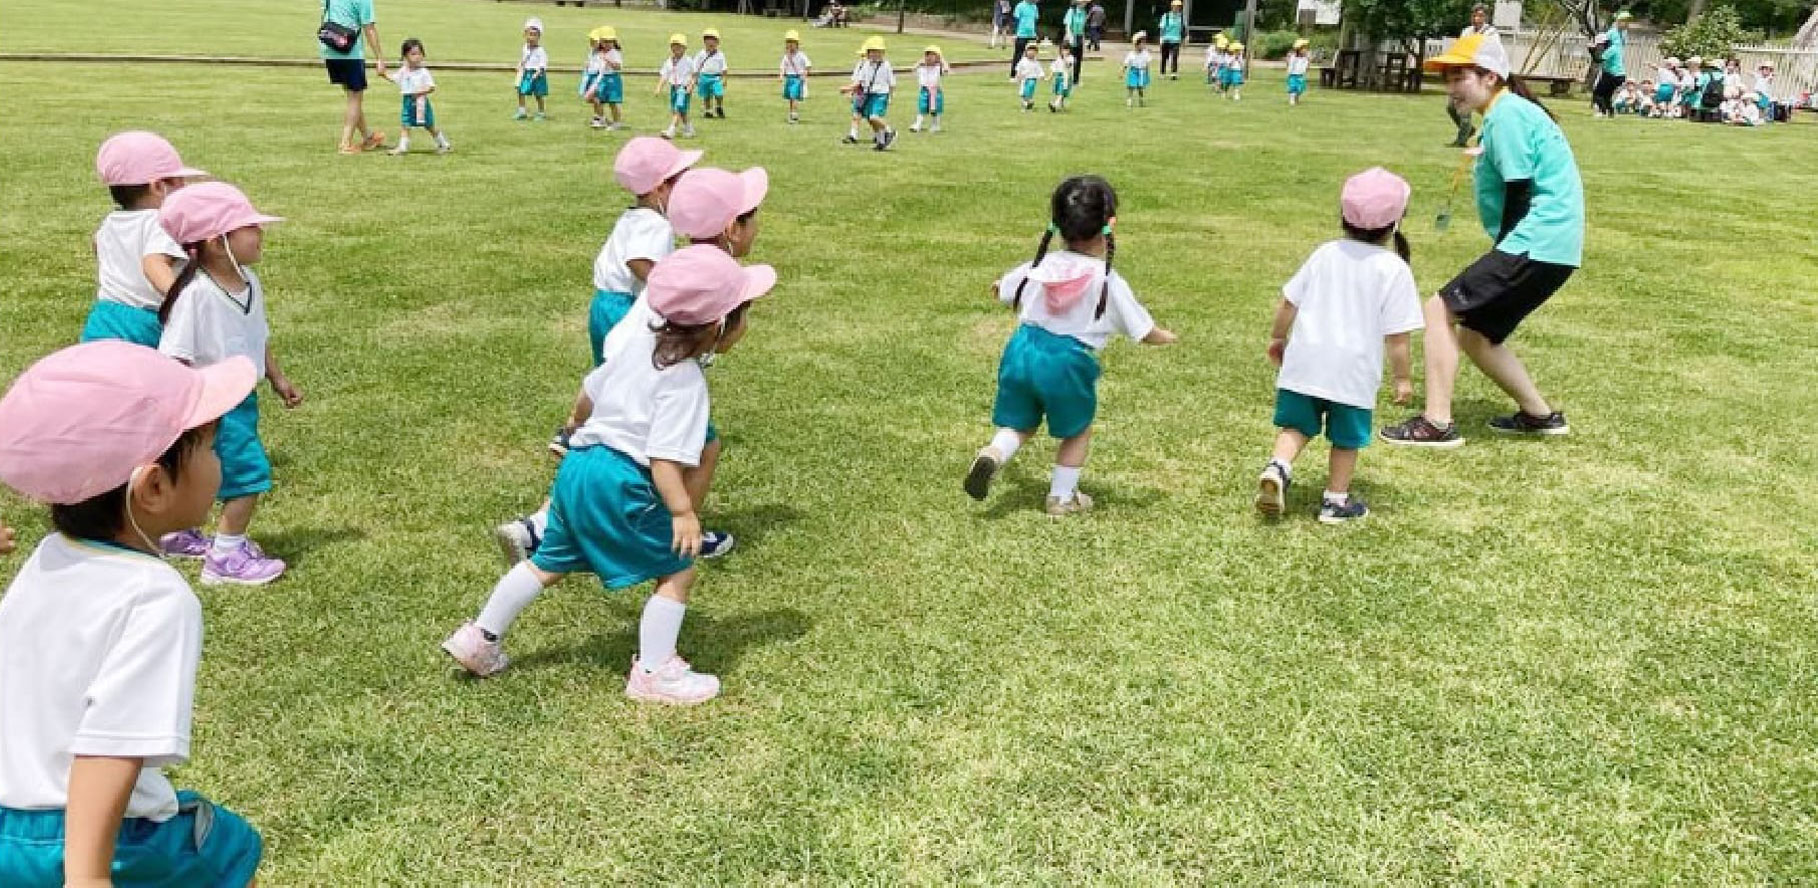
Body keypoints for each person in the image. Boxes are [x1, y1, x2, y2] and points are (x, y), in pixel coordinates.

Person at [442, 246, 777, 707]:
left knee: (547, 561)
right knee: (676, 570)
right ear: (720, 326)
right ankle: (654, 673)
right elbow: (664, 461)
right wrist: (683, 513)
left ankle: (480, 638)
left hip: (578, 470)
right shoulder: (685, 383)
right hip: (621, 481)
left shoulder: (635, 346)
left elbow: (588, 393)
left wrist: (572, 427)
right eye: (744, 316)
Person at [0, 342, 266, 888]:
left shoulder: (49, 556)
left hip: (10, 827)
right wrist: (88, 877)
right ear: (153, 487)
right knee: (227, 850)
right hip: (92, 842)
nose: (219, 463)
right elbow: (109, 746)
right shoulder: (156, 597)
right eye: (210, 449)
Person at [500, 138, 707, 566]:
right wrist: (671, 284)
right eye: (678, 180)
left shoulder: (635, 214)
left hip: (605, 307)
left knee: (610, 400)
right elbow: (638, 262)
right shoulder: (656, 226)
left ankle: (572, 438)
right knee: (631, 415)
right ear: (659, 189)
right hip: (623, 310)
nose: (684, 187)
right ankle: (556, 521)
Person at [1382, 33, 1580, 448]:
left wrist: (1506, 249)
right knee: (1476, 334)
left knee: (1438, 309)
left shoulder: (1508, 114)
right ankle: (1539, 415)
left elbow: (1519, 189)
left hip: (1536, 240)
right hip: (1555, 247)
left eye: (1460, 76)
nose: (1452, 86)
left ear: (1490, 76)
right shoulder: (1506, 112)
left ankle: (1436, 422)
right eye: (1448, 77)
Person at [965, 175, 1178, 516]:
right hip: (1067, 361)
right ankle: (1062, 498)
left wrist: (998, 286)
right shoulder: (1105, 278)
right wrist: (1165, 336)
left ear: (1057, 224)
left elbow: (1003, 288)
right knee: (1077, 430)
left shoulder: (1043, 263)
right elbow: (1142, 329)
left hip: (1021, 350)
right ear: (1111, 224)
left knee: (1021, 422)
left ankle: (994, 452)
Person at [154, 183, 302, 584]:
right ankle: (225, 557)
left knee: (203, 472)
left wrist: (276, 377)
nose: (260, 233)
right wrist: (181, 413)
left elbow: (258, 335)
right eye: (249, 227)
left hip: (241, 396)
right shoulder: (196, 295)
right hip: (213, 402)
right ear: (216, 243)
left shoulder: (249, 282)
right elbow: (174, 357)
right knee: (248, 474)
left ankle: (176, 534)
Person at [1256, 168, 1422, 524]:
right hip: (1353, 372)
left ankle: (1278, 466)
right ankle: (1335, 501)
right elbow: (1398, 338)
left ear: (1344, 216)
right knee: (1346, 439)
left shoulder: (1325, 253)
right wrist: (1403, 379)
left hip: (1306, 362)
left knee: (1296, 426)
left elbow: (1289, 302)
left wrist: (1278, 337)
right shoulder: (1393, 269)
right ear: (1395, 223)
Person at [83, 132, 205, 347]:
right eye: (179, 182)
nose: (184, 188)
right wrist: (186, 303)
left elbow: (97, 245)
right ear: (158, 187)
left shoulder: (111, 221)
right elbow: (153, 263)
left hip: (103, 318)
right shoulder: (161, 222)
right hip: (144, 324)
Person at [319, 0, 388, 154]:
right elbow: (369, 28)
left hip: (329, 47)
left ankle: (368, 137)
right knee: (355, 96)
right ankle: (345, 143)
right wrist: (379, 58)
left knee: (352, 97)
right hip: (350, 51)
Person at [385, 39, 451, 155]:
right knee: (405, 124)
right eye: (413, 54)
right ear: (405, 56)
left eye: (419, 53)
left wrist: (420, 93)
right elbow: (395, 78)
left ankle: (443, 144)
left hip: (421, 102)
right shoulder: (404, 70)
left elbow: (431, 87)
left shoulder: (423, 72)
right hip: (407, 101)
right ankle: (402, 147)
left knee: (429, 125)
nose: (417, 57)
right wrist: (383, 74)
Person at [1446, 4, 1495, 145]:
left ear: (1485, 17)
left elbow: (1488, 51)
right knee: (1451, 107)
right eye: (1474, 15)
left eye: (1480, 16)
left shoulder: (1491, 33)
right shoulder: (1466, 31)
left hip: (1480, 74)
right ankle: (1471, 131)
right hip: (1464, 71)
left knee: (1465, 108)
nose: (1476, 18)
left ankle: (1462, 140)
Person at [842, 37, 897, 151]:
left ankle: (889, 131)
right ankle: (881, 142)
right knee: (870, 119)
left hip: (881, 94)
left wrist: (891, 96)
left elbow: (892, 83)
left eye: (877, 51)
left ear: (883, 53)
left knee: (874, 117)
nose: (874, 54)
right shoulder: (866, 65)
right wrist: (849, 89)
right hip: (869, 94)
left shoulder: (886, 65)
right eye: (872, 51)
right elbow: (859, 82)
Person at [583, 27, 626, 130]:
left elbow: (618, 67)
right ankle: (601, 118)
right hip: (602, 78)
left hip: (612, 79)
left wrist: (608, 61)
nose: (608, 44)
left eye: (610, 41)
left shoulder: (615, 53)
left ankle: (616, 122)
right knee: (596, 98)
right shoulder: (598, 52)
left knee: (612, 102)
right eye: (605, 41)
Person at [657, 33, 698, 139]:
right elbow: (664, 75)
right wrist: (659, 87)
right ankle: (689, 129)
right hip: (674, 88)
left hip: (683, 89)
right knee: (682, 111)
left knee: (678, 109)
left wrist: (690, 86)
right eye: (674, 45)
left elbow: (694, 75)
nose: (676, 48)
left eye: (679, 46)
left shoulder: (688, 61)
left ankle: (671, 130)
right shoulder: (669, 61)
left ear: (685, 48)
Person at [1591, 11, 1630, 118]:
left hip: (1612, 73)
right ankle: (1611, 113)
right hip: (1620, 75)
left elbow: (1598, 59)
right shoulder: (1618, 46)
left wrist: (1591, 50)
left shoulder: (1612, 49)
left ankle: (1602, 112)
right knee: (1607, 95)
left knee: (1598, 94)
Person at [513, 17, 550, 121]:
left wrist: (538, 73)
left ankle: (541, 112)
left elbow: (543, 65)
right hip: (526, 72)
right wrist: (520, 65)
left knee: (538, 95)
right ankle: (522, 111)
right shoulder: (525, 47)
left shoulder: (540, 51)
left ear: (539, 37)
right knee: (521, 90)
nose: (532, 37)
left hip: (537, 75)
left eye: (535, 35)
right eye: (530, 34)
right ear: (525, 35)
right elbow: (524, 58)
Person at [911, 46, 949, 132]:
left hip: (935, 91)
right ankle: (918, 124)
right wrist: (919, 62)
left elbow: (946, 69)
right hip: (924, 90)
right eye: (928, 55)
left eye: (933, 55)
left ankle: (935, 125)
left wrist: (942, 60)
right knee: (922, 108)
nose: (930, 57)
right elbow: (912, 68)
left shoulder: (938, 68)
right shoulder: (922, 67)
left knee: (935, 110)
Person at [695, 28, 729, 120]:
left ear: (717, 42)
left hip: (716, 77)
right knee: (706, 95)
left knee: (719, 93)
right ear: (704, 42)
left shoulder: (720, 55)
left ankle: (719, 107)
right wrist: (696, 78)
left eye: (713, 40)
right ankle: (708, 110)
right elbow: (696, 66)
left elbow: (724, 68)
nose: (711, 42)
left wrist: (724, 79)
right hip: (704, 77)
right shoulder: (701, 54)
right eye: (708, 40)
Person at [780, 30, 812, 125]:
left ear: (796, 43)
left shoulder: (801, 55)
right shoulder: (786, 56)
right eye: (788, 42)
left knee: (794, 96)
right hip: (789, 78)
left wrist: (804, 75)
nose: (790, 44)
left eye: (792, 42)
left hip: (797, 78)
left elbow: (808, 65)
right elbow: (783, 66)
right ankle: (791, 113)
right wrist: (781, 75)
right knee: (790, 97)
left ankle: (794, 115)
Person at [1010, 0, 1040, 79]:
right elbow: (1015, 21)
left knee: (1032, 54)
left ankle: (1030, 74)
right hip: (1021, 33)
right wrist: (1014, 34)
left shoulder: (1034, 7)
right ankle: (1014, 75)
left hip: (1031, 34)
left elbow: (1035, 20)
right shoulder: (1020, 6)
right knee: (1018, 55)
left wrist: (1035, 33)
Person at [1124, 32, 1152, 107]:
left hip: (1142, 71)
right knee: (1131, 86)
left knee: (1140, 87)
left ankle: (1141, 99)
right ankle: (1129, 100)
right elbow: (1126, 63)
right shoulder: (1131, 54)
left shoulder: (1145, 53)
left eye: (1144, 43)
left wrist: (1147, 73)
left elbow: (1147, 64)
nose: (1143, 45)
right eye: (1141, 44)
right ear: (1136, 45)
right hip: (1133, 71)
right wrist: (1122, 71)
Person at [1158, 0, 1185, 79]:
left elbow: (1183, 29)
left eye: (1179, 7)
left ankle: (1174, 73)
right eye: (1175, 6)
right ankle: (1162, 73)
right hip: (1166, 39)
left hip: (1176, 40)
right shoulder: (1166, 16)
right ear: (1172, 7)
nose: (1177, 8)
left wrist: (1184, 39)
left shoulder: (1181, 17)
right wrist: (1161, 38)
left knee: (1175, 56)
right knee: (1164, 57)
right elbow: (1162, 28)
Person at [1062, 0, 1087, 85]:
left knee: (1078, 59)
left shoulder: (1083, 12)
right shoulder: (1071, 11)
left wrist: (1083, 38)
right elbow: (1068, 26)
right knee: (1069, 58)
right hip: (1071, 35)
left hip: (1079, 36)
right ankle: (1066, 77)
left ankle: (1076, 80)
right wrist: (1070, 36)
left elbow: (1082, 27)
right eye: (1083, 2)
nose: (1084, 4)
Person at [1016, 43, 1045, 111]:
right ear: (1026, 52)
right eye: (1029, 50)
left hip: (1032, 78)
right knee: (1022, 92)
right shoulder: (1023, 61)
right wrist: (1018, 75)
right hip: (1024, 79)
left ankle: (1028, 102)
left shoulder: (1036, 62)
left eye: (1033, 51)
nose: (1031, 52)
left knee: (1029, 89)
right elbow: (1019, 68)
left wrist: (1041, 75)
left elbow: (1039, 70)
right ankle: (1026, 103)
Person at [1050, 42, 1074, 111]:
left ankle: (1055, 105)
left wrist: (1065, 59)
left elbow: (1068, 65)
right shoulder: (1058, 58)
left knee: (1062, 91)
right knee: (1058, 91)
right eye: (1063, 50)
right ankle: (1061, 104)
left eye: (1067, 50)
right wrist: (1051, 76)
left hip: (1065, 77)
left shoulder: (1070, 58)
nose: (1065, 52)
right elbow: (1054, 67)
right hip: (1058, 76)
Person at [1286, 38, 1311, 105]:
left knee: (1300, 88)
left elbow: (1306, 67)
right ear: (1298, 49)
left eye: (1306, 48)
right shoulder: (1293, 57)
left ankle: (1296, 98)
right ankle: (1292, 99)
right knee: (1293, 87)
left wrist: (1308, 61)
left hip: (1301, 75)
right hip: (1293, 75)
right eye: (1304, 48)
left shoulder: (1305, 58)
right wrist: (1289, 72)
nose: (1305, 50)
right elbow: (1290, 65)